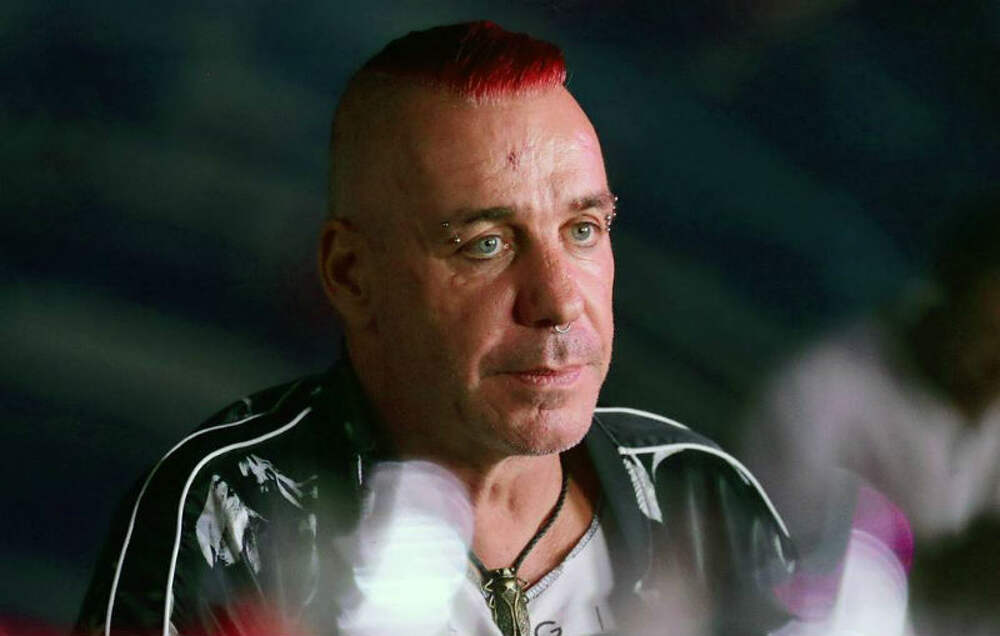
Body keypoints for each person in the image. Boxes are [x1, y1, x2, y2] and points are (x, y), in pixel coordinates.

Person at [76, 21, 796, 636]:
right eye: (486, 244)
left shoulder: (699, 495)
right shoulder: (230, 511)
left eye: (583, 229)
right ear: (352, 275)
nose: (557, 301)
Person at [741, 191, 1000, 635]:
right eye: (989, 335)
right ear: (948, 297)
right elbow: (765, 586)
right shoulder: (820, 395)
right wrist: (934, 575)